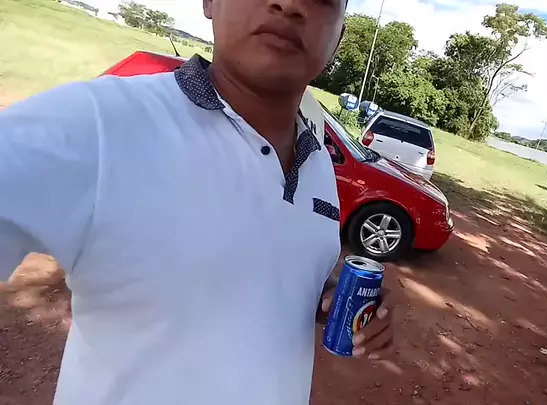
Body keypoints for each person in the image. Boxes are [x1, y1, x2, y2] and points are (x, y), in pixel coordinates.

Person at [0, 0, 395, 404]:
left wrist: (327, 298)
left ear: (338, 38)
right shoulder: (98, 126)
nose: (291, 3)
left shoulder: (318, 162)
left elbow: (267, 270)